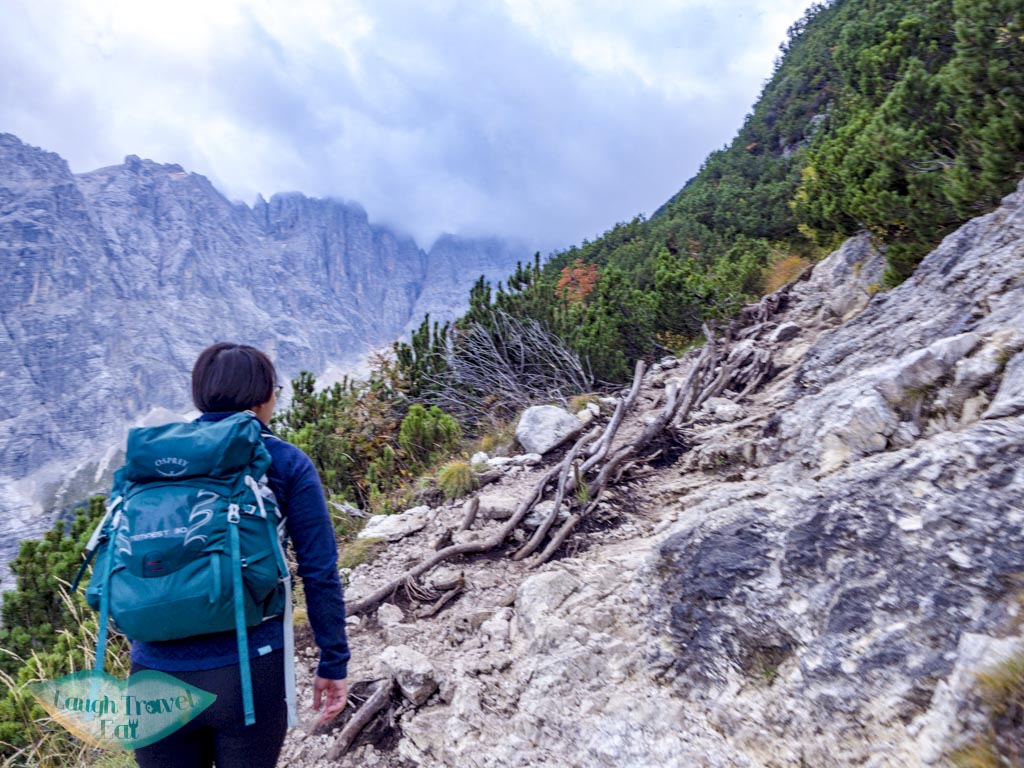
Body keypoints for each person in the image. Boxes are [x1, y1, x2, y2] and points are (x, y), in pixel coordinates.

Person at [131, 342, 350, 768]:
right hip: (248, 673)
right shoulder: (284, 461)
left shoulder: (157, 462)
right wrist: (333, 660)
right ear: (260, 399)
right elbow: (320, 572)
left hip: (152, 674)